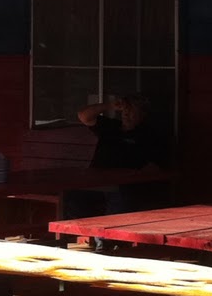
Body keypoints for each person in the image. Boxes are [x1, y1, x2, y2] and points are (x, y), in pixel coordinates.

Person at [67, 94, 171, 249]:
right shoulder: (110, 127)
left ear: (142, 114)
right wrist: (109, 106)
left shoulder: (149, 135)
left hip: (126, 186)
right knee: (70, 197)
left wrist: (134, 176)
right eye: (125, 110)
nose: (127, 113)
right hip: (97, 182)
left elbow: (155, 165)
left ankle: (106, 243)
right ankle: (95, 234)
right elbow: (84, 116)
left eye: (132, 110)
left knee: (120, 199)